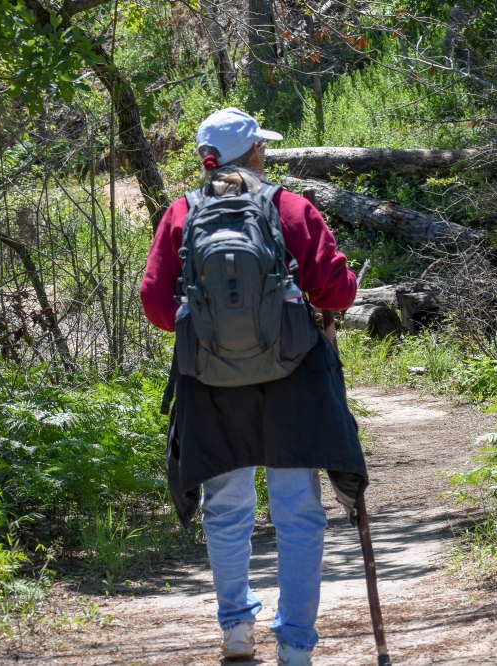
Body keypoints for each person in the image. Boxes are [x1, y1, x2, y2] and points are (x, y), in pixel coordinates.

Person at [140, 107, 367, 665]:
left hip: (211, 384)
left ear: (206, 159)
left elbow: (154, 301)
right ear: (254, 155)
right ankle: (294, 645)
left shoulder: (181, 214)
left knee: (227, 506)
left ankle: (237, 630)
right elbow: (336, 293)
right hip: (293, 379)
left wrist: (206, 330)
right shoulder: (289, 207)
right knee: (297, 510)